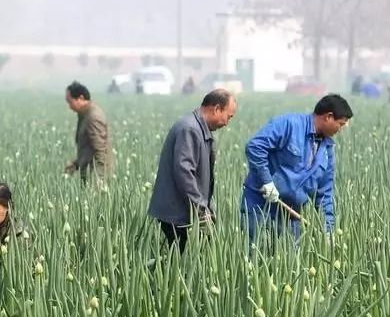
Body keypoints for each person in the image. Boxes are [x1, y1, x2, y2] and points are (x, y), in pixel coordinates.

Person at [241, 94, 353, 248]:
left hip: (291, 215)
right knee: (256, 258)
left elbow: (325, 192)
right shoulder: (290, 124)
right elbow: (255, 147)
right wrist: (266, 181)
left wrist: (328, 229)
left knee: (291, 266)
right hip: (261, 207)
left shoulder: (327, 149)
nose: (341, 129)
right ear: (328, 117)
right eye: (341, 124)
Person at [148, 89, 238, 253]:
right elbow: (184, 172)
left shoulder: (198, 128)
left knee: (189, 260)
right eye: (228, 116)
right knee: (183, 263)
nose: (226, 123)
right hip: (177, 214)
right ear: (216, 109)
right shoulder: (190, 129)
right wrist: (201, 209)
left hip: (186, 211)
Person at [63, 81, 113, 185]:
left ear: (81, 98)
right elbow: (88, 148)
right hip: (88, 172)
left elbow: (100, 151)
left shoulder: (93, 117)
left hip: (94, 175)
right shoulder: (84, 115)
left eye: (70, 102)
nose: (69, 106)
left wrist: (99, 180)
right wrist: (76, 164)